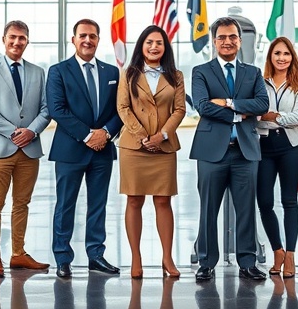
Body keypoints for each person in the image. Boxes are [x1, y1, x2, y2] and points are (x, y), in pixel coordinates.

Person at [190, 16, 269, 282]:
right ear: (214, 41)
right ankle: (206, 262)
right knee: (208, 209)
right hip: (212, 152)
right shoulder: (201, 71)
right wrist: (239, 112)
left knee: (247, 208)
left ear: (240, 40)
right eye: (222, 37)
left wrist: (227, 102)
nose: (227, 41)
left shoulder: (253, 72)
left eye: (232, 36)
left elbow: (261, 105)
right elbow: (203, 106)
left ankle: (247, 262)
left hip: (245, 151)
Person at [46, 19, 123, 278]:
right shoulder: (59, 71)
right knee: (65, 204)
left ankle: (96, 255)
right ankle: (62, 258)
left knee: (98, 205)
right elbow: (58, 109)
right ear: (74, 40)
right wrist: (88, 135)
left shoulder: (112, 72)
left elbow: (119, 110)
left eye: (92, 36)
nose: (87, 40)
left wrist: (107, 133)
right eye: (82, 36)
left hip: (103, 150)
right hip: (71, 149)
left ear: (98, 40)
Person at [0, 20, 52, 278]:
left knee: (22, 203)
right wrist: (13, 132)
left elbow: (46, 109)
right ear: (4, 38)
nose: (17, 42)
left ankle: (18, 254)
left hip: (29, 148)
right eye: (13, 37)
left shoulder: (38, 72)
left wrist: (31, 131)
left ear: (27, 41)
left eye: (22, 38)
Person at [116, 26, 186, 279]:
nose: (154, 47)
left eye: (159, 42)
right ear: (141, 46)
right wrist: (143, 136)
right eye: (149, 42)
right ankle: (136, 258)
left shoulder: (175, 76)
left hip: (164, 147)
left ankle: (167, 258)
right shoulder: (129, 74)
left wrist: (162, 136)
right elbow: (123, 108)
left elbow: (179, 110)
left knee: (163, 201)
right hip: (135, 147)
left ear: (165, 47)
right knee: (134, 200)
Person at [257, 37, 298, 279]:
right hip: (264, 146)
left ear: (292, 57)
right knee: (265, 202)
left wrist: (273, 116)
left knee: (289, 201)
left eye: (286, 54)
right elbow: (254, 114)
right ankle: (277, 250)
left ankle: (291, 255)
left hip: (290, 146)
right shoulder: (260, 81)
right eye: (277, 53)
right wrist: (266, 116)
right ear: (270, 56)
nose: (281, 58)